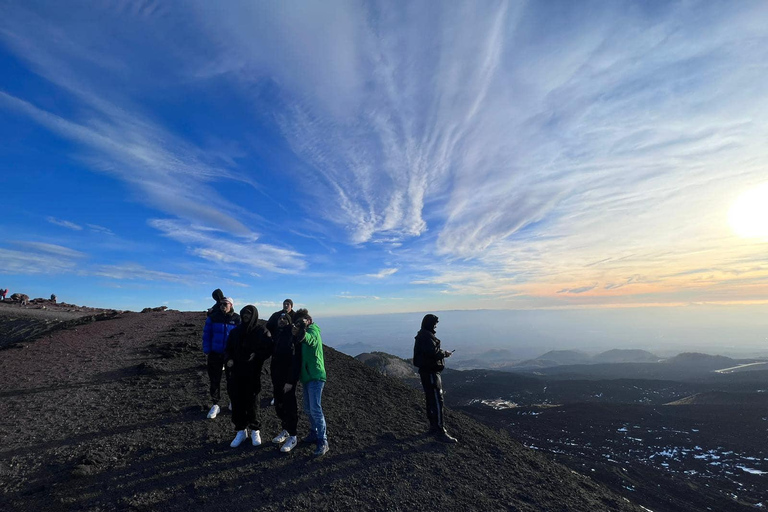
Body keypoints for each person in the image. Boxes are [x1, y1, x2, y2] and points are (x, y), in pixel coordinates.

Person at [224, 305, 274, 448]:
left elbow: (269, 348)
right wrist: (229, 360)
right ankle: (241, 430)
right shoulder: (235, 332)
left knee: (253, 402)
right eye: (244, 313)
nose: (246, 316)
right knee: (237, 401)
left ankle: (255, 430)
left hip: (253, 373)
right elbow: (228, 349)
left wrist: (257, 355)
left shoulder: (261, 331)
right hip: (236, 373)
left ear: (254, 315)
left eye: (249, 313)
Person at [413, 314, 458, 443]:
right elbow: (433, 353)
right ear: (429, 324)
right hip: (431, 372)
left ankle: (434, 427)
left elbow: (431, 351)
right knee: (437, 400)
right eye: (434, 323)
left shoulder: (423, 334)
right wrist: (445, 354)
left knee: (431, 399)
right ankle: (439, 431)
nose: (436, 326)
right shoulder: (426, 337)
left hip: (427, 372)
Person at [293, 309, 329, 457]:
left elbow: (311, 340)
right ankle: (314, 432)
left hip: (316, 375)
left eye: (302, 321)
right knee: (308, 408)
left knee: (315, 409)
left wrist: (301, 331)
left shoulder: (313, 331)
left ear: (308, 320)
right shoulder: (303, 332)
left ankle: (323, 441)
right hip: (307, 376)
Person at [202, 297, 240, 419]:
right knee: (214, 379)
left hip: (230, 355)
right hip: (215, 353)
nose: (222, 306)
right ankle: (215, 404)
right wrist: (207, 349)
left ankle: (232, 402)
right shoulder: (213, 317)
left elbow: (240, 337)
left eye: (225, 304)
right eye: (221, 304)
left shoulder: (236, 318)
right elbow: (207, 334)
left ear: (231, 305)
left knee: (232, 379)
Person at [270, 312, 302, 453]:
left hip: (288, 380)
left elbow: (296, 361)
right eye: (280, 319)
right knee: (279, 404)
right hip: (277, 378)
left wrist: (290, 381)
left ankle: (293, 436)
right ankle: (286, 430)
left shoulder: (292, 337)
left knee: (290, 406)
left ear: (289, 322)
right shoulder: (277, 335)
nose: (282, 320)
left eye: (285, 319)